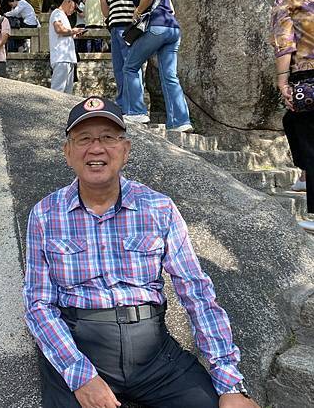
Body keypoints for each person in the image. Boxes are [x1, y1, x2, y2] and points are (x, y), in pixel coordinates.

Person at [23, 95, 261, 408]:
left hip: (155, 355)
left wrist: (229, 382)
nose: (96, 149)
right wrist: (80, 376)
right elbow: (38, 303)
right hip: (82, 348)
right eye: (83, 139)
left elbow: (196, 291)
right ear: (68, 153)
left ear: (126, 150)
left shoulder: (158, 208)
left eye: (109, 137)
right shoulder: (44, 215)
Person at [270, 0, 314, 230]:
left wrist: (282, 82)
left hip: (307, 77)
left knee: (309, 139)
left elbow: (284, 46)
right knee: (291, 122)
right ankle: (304, 175)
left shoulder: (286, 3)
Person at [122, 0, 193, 132]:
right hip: (173, 29)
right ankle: (180, 121)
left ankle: (136, 111)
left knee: (130, 67)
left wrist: (137, 12)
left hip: (157, 28)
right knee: (169, 76)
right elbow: (172, 9)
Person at [96, 0, 143, 108]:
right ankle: (123, 104)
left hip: (128, 29)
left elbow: (144, 0)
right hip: (115, 29)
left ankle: (136, 105)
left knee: (130, 67)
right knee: (118, 69)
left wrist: (136, 18)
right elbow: (107, 14)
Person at [49, 0, 86, 94]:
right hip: (61, 58)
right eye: (75, 7)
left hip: (68, 59)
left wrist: (74, 35)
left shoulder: (63, 16)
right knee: (57, 91)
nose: (74, 11)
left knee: (67, 93)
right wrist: (73, 31)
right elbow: (59, 29)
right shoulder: (57, 13)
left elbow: (64, 34)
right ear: (69, 1)